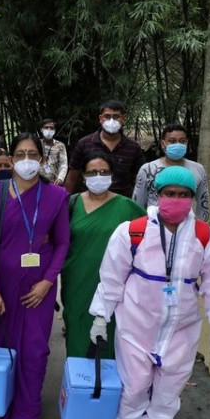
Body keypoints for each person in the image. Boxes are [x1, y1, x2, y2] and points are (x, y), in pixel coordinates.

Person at [88, 165, 210, 419]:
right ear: (158, 195)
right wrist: (101, 317)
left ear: (192, 198)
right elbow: (111, 277)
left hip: (182, 326)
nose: (176, 200)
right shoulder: (132, 231)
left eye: (183, 195)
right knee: (135, 382)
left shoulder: (204, 236)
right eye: (169, 194)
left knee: (171, 383)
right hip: (137, 322)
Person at [0, 133, 70, 419]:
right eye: (20, 154)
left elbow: (62, 243)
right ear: (12, 158)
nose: (27, 159)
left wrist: (48, 282)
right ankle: (0, 401)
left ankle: (28, 416)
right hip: (2, 282)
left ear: (43, 160)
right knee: (2, 345)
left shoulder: (56, 196)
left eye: (33, 154)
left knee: (34, 351)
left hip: (39, 289)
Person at [61, 152, 145, 359]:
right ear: (83, 176)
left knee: (110, 332)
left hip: (114, 285)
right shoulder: (69, 204)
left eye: (103, 172)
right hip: (76, 281)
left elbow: (149, 244)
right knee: (77, 329)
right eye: (92, 172)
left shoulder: (128, 208)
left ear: (112, 175)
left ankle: (107, 385)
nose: (98, 176)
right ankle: (77, 384)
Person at [65, 100, 145, 198]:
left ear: (123, 119)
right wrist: (64, 201)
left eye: (116, 117)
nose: (111, 120)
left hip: (121, 202)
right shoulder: (84, 143)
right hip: (90, 201)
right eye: (107, 116)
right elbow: (72, 177)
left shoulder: (133, 147)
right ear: (100, 118)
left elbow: (139, 179)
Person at [132, 122, 210, 220]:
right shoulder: (147, 169)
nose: (178, 145)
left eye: (182, 141)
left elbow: (203, 203)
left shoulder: (198, 169)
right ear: (163, 144)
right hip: (154, 226)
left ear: (186, 143)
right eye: (172, 141)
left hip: (186, 227)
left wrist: (201, 227)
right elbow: (137, 204)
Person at [39, 118, 68, 185]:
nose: (49, 130)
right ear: (41, 129)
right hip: (38, 181)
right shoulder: (36, 144)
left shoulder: (60, 145)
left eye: (51, 128)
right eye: (46, 127)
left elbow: (63, 163)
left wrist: (60, 178)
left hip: (54, 182)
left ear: (54, 130)